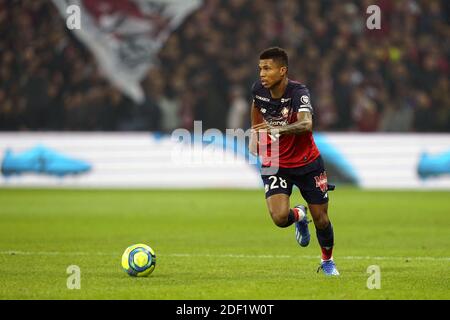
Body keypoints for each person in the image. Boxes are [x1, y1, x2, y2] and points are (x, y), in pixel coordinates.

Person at [249, 47, 339, 276]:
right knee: (279, 218)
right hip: (275, 162)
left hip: (307, 162)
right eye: (260, 68)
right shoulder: (258, 90)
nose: (261, 74)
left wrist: (279, 129)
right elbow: (256, 106)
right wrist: (255, 132)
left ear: (282, 70)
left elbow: (306, 124)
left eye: (267, 68)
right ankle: (299, 215)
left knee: (321, 219)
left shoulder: (299, 92)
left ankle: (327, 261)